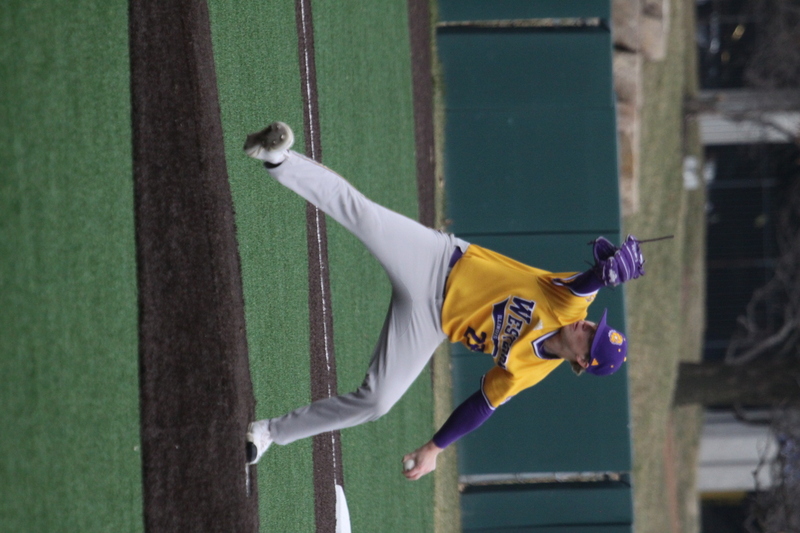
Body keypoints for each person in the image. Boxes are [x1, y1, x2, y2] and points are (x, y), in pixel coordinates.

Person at [243, 121, 644, 481]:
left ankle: (268, 433)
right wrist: (605, 274)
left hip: (429, 322)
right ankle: (277, 157)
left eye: (592, 337)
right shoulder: (569, 307)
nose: (589, 326)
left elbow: (482, 405)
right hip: (437, 260)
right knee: (364, 216)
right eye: (597, 325)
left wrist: (434, 448)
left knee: (378, 401)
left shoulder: (531, 371)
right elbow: (587, 286)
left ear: (582, 361)